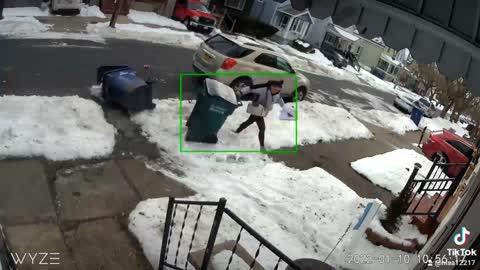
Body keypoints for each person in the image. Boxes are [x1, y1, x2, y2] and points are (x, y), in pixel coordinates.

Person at [235, 80, 286, 151]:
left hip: (262, 111)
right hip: (257, 109)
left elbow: (280, 101)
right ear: (271, 86)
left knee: (249, 121)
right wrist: (241, 92)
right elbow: (250, 88)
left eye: (278, 88)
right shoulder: (262, 89)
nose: (275, 89)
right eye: (274, 87)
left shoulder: (278, 94)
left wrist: (285, 108)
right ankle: (262, 147)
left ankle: (237, 131)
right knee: (262, 128)